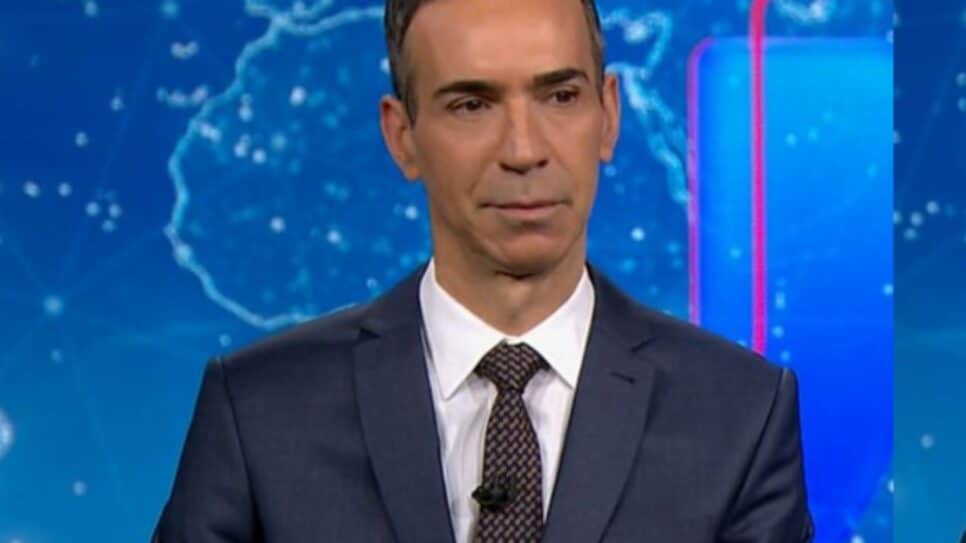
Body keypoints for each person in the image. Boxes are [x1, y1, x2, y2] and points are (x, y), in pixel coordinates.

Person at [152, 0, 814, 540]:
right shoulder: (259, 412)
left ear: (608, 115)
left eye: (560, 96)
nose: (524, 150)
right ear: (402, 136)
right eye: (472, 105)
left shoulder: (740, 417)